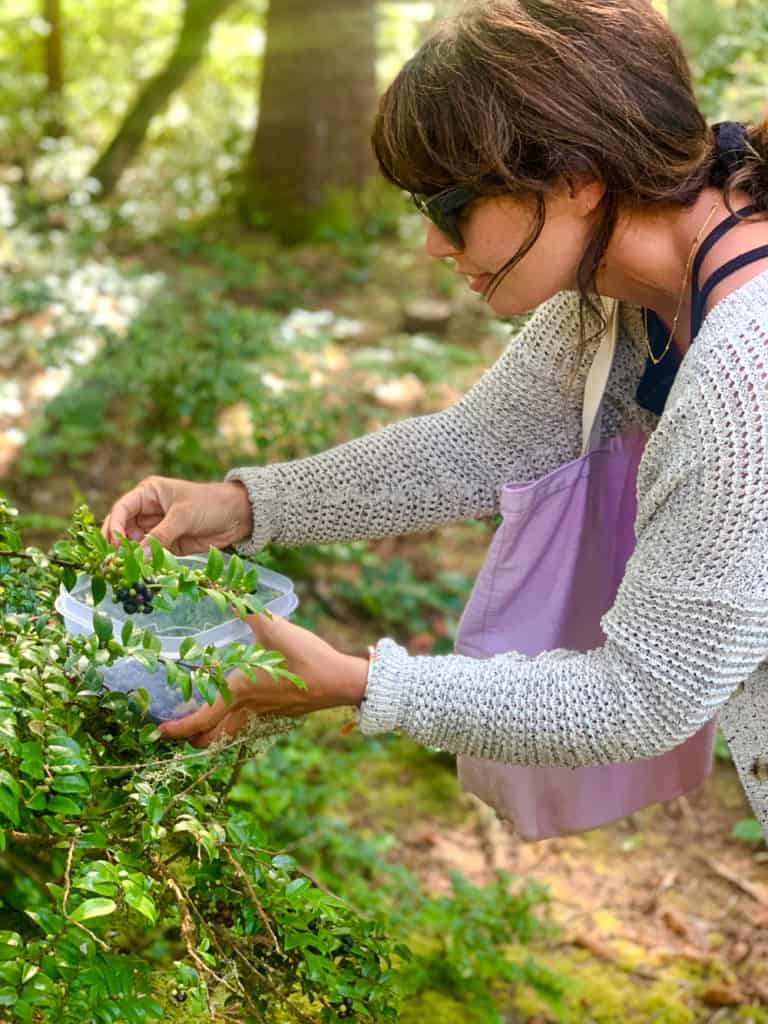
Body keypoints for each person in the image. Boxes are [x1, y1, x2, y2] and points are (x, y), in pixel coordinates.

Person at [103, 0, 768, 840]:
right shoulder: (627, 287)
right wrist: (242, 507)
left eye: (446, 205)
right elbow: (479, 447)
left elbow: (641, 696)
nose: (433, 246)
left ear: (575, 176)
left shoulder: (750, 370)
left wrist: (360, 683)